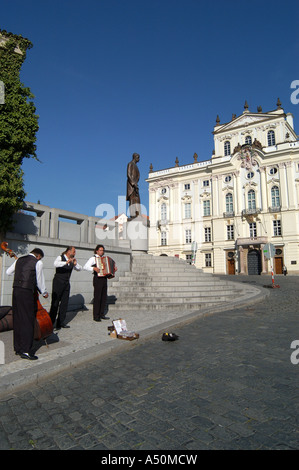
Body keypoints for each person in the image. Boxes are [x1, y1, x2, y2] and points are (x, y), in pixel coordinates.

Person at [6, 248, 48, 360]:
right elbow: (40, 281)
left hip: (16, 291)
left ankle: (18, 348)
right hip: (26, 292)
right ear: (38, 256)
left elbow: (8, 272)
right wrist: (44, 292)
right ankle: (26, 351)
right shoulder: (38, 262)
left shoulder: (19, 260)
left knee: (18, 319)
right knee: (27, 320)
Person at [50, 246, 82, 330]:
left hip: (66, 283)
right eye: (74, 251)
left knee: (64, 303)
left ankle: (60, 322)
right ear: (68, 251)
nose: (75, 253)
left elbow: (79, 268)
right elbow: (55, 264)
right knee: (55, 302)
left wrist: (75, 264)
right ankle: (51, 322)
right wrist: (65, 262)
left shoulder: (72, 260)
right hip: (58, 282)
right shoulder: (60, 257)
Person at [83, 245, 117, 322]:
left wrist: (114, 270)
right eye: (101, 250)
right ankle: (96, 316)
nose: (102, 252)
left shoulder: (105, 259)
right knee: (97, 297)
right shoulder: (93, 258)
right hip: (97, 278)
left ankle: (102, 314)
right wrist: (94, 268)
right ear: (97, 251)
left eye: (103, 250)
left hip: (104, 279)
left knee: (103, 297)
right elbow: (85, 267)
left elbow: (108, 269)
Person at [127, 152, 141, 218]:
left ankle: (137, 214)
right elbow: (128, 174)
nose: (139, 159)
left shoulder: (136, 166)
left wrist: (136, 183)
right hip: (131, 186)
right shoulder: (130, 164)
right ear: (135, 157)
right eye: (138, 157)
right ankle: (132, 215)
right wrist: (133, 183)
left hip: (135, 185)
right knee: (132, 200)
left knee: (137, 200)